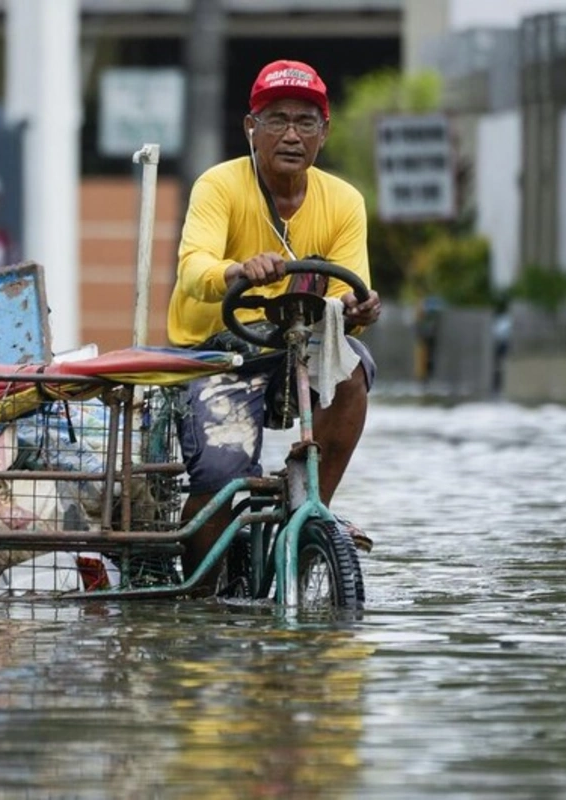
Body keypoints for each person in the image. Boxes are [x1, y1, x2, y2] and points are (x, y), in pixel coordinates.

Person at [167, 60, 383, 583]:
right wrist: (236, 270)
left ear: (323, 133)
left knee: (352, 367)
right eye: (277, 120)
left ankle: (309, 510)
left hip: (295, 350)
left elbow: (345, 294)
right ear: (251, 129)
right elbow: (193, 268)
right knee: (221, 473)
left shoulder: (344, 201)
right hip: (214, 351)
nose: (291, 135)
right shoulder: (219, 185)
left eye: (306, 122)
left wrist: (359, 312)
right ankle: (200, 598)